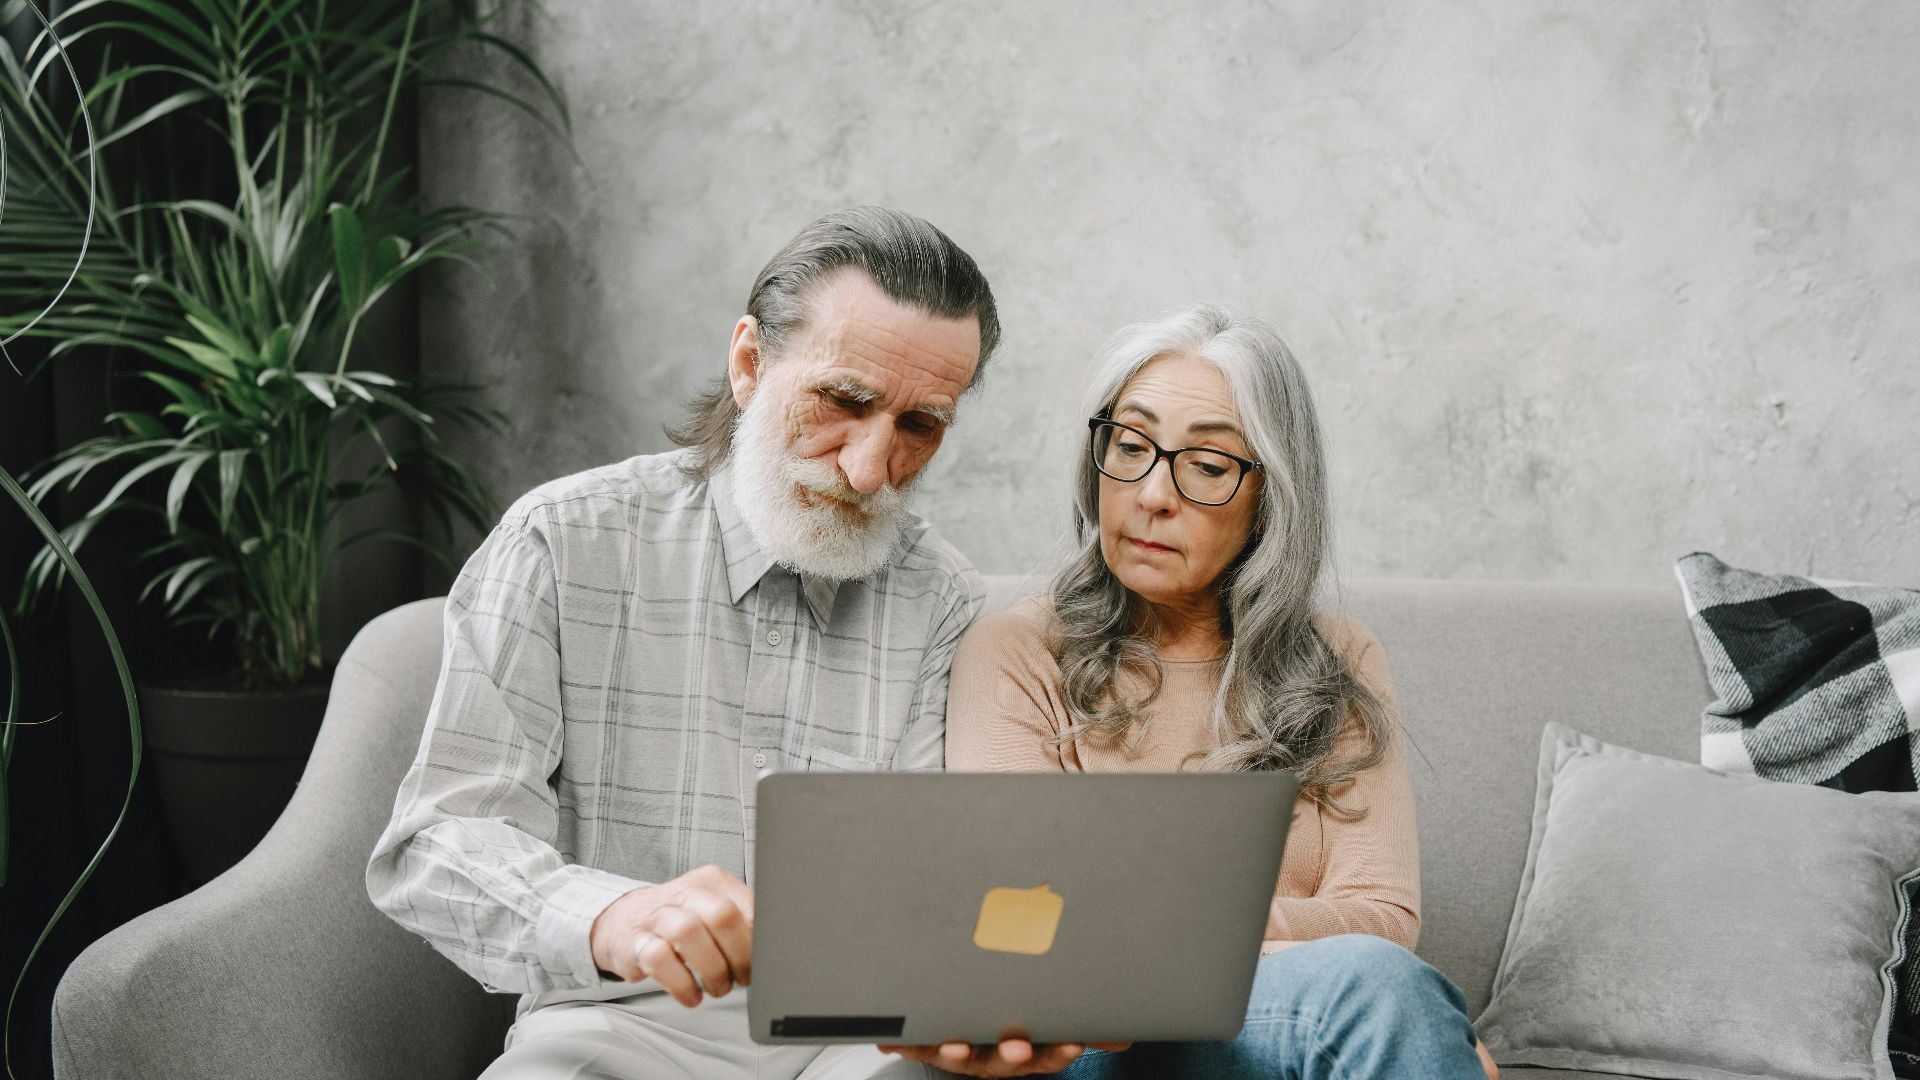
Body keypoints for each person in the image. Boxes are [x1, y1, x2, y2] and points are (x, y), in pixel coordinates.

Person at [366, 206, 1021, 1080]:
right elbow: (437, 843)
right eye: (844, 401)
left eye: (919, 426)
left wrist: (995, 999)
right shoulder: (564, 540)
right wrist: (617, 918)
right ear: (750, 363)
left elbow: (942, 890)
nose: (870, 470)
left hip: (866, 1043)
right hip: (614, 1029)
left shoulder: (941, 598)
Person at [906, 303, 1498, 1078]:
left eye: (1209, 467)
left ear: (1271, 499)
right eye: (1131, 445)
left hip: (1286, 1034)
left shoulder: (1341, 658)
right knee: (1381, 995)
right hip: (1091, 1043)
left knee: (1385, 989)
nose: (1153, 494)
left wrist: (1157, 929)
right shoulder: (1016, 649)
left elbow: (1383, 919)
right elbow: (1027, 920)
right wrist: (1331, 962)